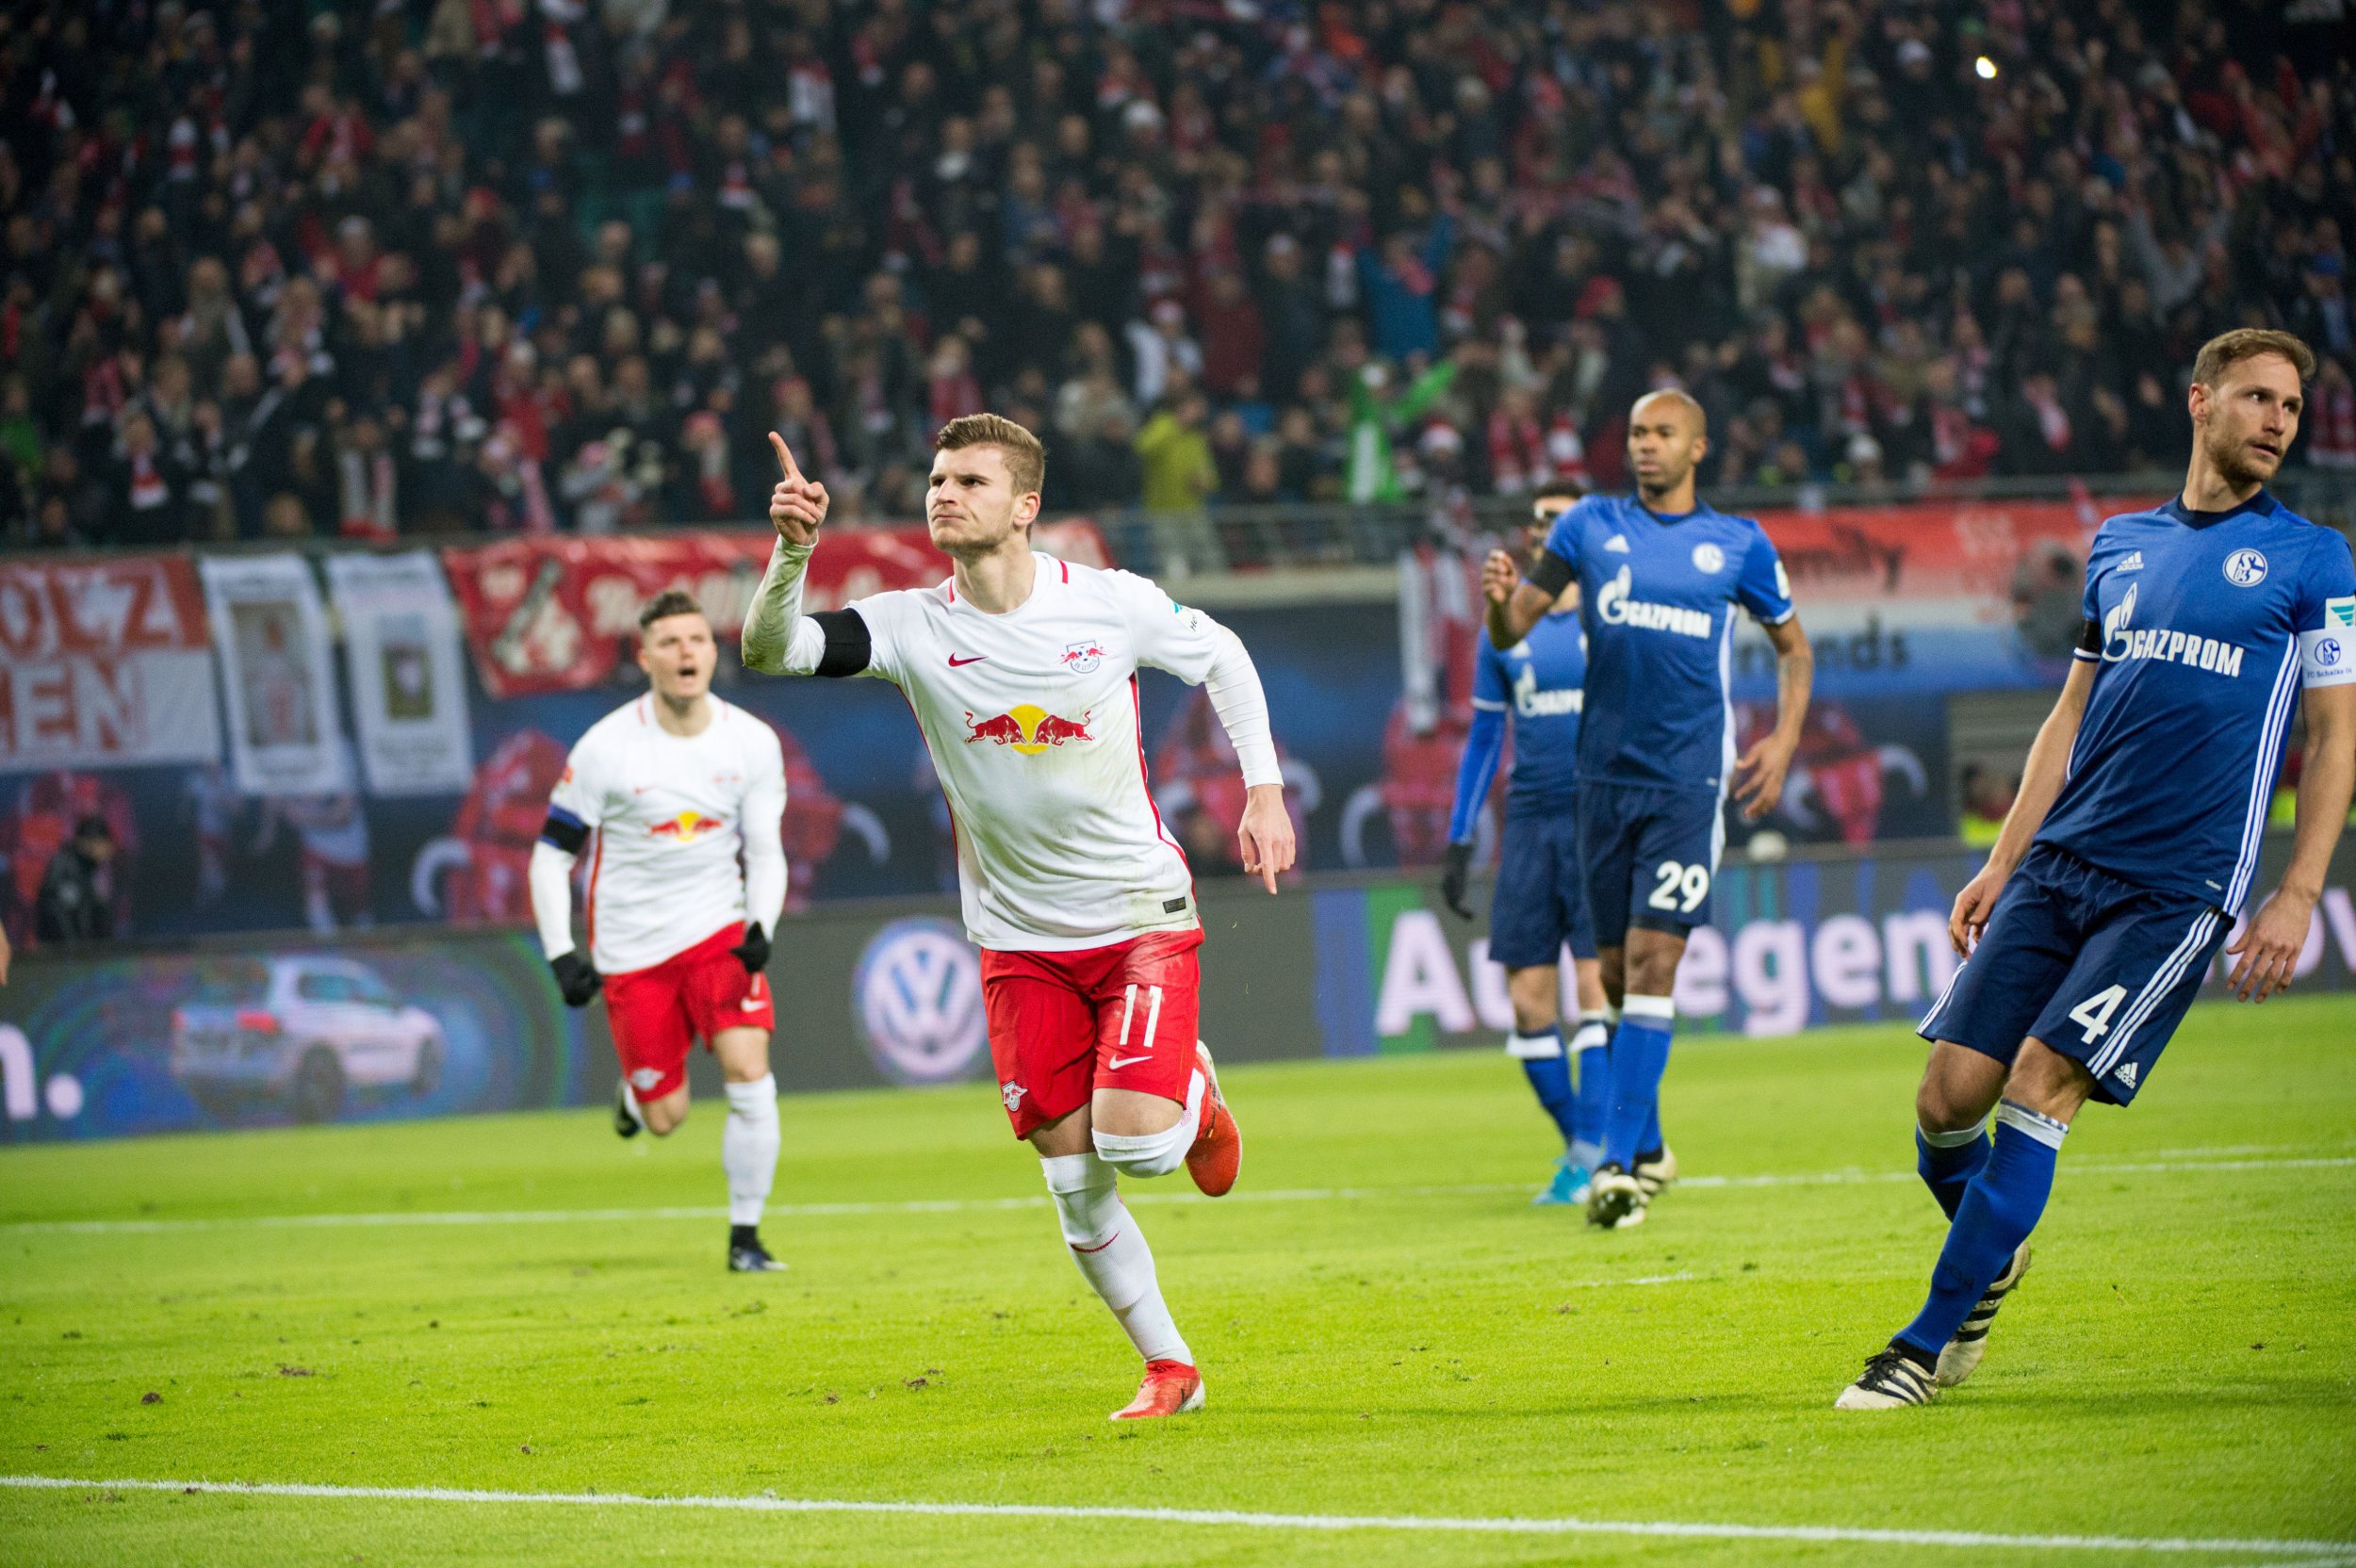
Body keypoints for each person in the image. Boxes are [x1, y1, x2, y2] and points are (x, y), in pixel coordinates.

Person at [1835, 330, 2354, 1409]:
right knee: (1943, 1103)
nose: (2277, 420)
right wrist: (2002, 856)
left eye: (2293, 407)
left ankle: (1922, 1345)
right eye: (2257, 397)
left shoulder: (2315, 560)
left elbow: (2335, 731)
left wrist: (2299, 887)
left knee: (2039, 1080)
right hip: (2060, 864)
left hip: (2175, 887)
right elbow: (2066, 717)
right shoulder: (2117, 545)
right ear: (2200, 401)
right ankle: (1994, 1255)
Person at [742, 413, 1295, 1421]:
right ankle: (1171, 1364)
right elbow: (773, 649)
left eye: (969, 481)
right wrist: (792, 553)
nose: (942, 493)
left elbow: (1224, 655)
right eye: (937, 477)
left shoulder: (1110, 604)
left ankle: (1195, 1093)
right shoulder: (909, 624)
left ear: (1025, 507)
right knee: (1072, 1176)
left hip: (1135, 912)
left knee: (1134, 1145)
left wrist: (1261, 789)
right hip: (1016, 941)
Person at [1483, 390, 1814, 1229]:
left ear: (1698, 447)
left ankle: (1620, 1167)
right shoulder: (1587, 528)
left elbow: (1794, 648)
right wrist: (1497, 600)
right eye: (1635, 433)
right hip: (1600, 782)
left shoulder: (1736, 543)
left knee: (1654, 965)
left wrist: (1779, 744)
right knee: (1621, 977)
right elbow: (1512, 630)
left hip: (1685, 783)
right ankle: (1655, 1144)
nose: (1646, 446)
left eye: (1663, 433)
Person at [528, 590, 794, 1276]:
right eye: (670, 643)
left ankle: (746, 1238)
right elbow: (551, 854)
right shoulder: (605, 750)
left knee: (748, 1070)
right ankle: (635, 1096)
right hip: (633, 950)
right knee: (666, 1117)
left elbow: (765, 851)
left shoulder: (752, 742)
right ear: (644, 658)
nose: (686, 653)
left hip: (719, 934)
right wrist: (561, 955)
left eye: (698, 640)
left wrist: (760, 927)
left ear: (714, 652)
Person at [1443, 486, 1612, 1206]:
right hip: (1532, 823)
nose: (1548, 529)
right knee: (1527, 1002)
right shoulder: (1505, 632)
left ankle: (1591, 1160)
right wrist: (1459, 839)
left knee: (1596, 989)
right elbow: (1485, 738)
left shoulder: (1614, 619)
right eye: (1541, 519)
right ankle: (1591, 1148)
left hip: (1599, 818)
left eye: (1562, 518)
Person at [35, 817, 118, 945]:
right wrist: (74, 950)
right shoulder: (64, 866)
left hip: (79, 956)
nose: (109, 849)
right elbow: (54, 910)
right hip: (59, 957)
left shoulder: (92, 871)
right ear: (87, 843)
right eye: (104, 843)